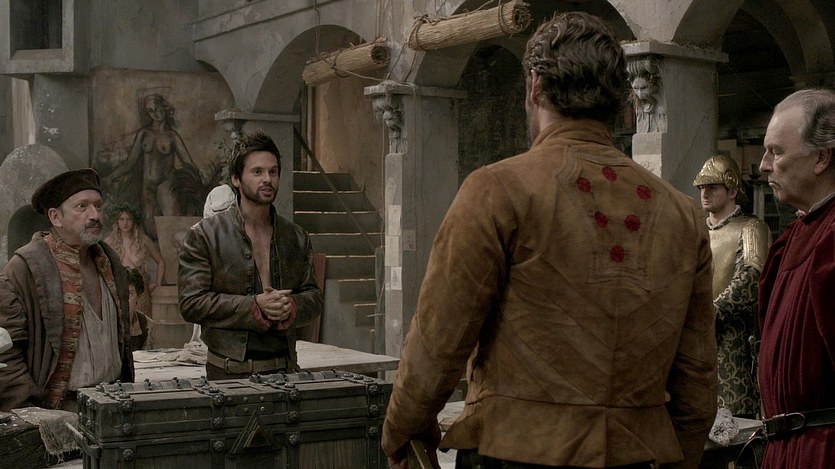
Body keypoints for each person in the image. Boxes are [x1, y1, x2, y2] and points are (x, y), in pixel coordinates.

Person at [382, 12, 718, 469]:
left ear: (535, 86)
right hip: (636, 455)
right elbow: (697, 379)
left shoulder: (497, 190)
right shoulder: (683, 214)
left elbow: (438, 343)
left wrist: (402, 432)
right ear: (620, 100)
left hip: (514, 451)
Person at [178, 131, 323, 380]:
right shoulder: (204, 235)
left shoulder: (296, 236)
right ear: (236, 178)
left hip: (284, 372)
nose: (267, 179)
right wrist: (253, 306)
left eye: (273, 172)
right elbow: (191, 303)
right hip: (228, 374)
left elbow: (314, 297)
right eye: (257, 172)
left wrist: (291, 307)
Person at [0, 169, 134, 412]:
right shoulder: (25, 268)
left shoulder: (110, 262)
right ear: (55, 217)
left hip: (114, 406)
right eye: (82, 207)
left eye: (98, 206)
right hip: (60, 409)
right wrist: (30, 411)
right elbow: (5, 352)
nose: (95, 215)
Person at [757, 88, 835, 468]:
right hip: (786, 449)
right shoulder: (796, 235)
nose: (764, 165)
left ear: (821, 158)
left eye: (776, 152)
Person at [692, 155, 771, 418]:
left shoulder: (751, 228)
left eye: (713, 187)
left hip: (732, 346)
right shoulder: (695, 232)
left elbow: (751, 279)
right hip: (693, 344)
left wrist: (708, 313)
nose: (705, 193)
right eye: (702, 187)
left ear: (733, 191)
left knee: (735, 424)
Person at [107, 93, 200, 239]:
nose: (155, 113)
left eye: (157, 108)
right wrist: (111, 177)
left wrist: (199, 183)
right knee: (150, 229)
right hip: (148, 187)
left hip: (166, 185)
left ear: (164, 107)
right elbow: (130, 162)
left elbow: (189, 164)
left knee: (172, 226)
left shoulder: (172, 136)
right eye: (151, 111)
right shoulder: (144, 133)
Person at [105, 203, 166, 318]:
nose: (125, 223)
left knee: (142, 323)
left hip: (141, 292)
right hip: (118, 290)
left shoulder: (144, 240)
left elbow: (161, 262)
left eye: (129, 219)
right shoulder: (109, 242)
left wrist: (158, 284)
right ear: (117, 221)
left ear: (134, 221)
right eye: (121, 219)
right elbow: (102, 267)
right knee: (119, 323)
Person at [125, 268, 151, 351]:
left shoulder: (146, 324)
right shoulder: (109, 323)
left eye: (130, 294)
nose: (125, 299)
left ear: (138, 296)